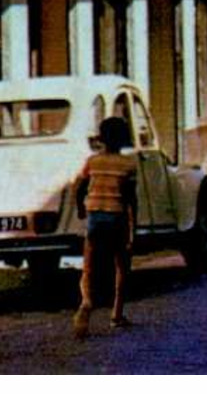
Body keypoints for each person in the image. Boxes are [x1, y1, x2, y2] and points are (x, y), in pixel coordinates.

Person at [72, 116, 138, 337]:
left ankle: (86, 304)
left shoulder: (93, 162)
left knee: (89, 267)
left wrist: (81, 209)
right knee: (121, 265)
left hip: (95, 217)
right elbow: (130, 198)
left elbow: (79, 187)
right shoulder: (129, 164)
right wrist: (132, 228)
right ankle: (117, 314)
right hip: (116, 218)